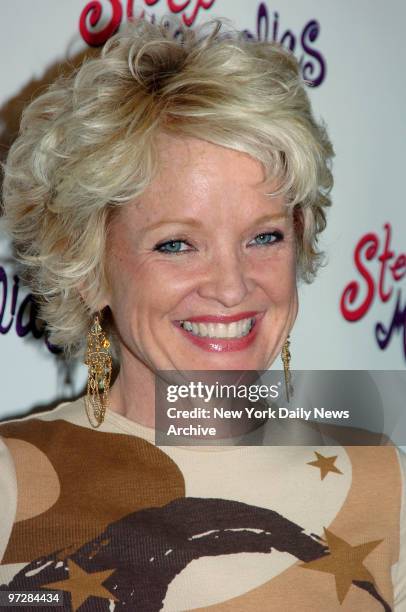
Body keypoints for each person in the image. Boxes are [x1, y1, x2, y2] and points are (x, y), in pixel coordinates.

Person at [0, 18, 405, 612]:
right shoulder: (11, 482)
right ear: (87, 270)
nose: (231, 287)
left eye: (264, 237)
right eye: (175, 244)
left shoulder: (385, 484)